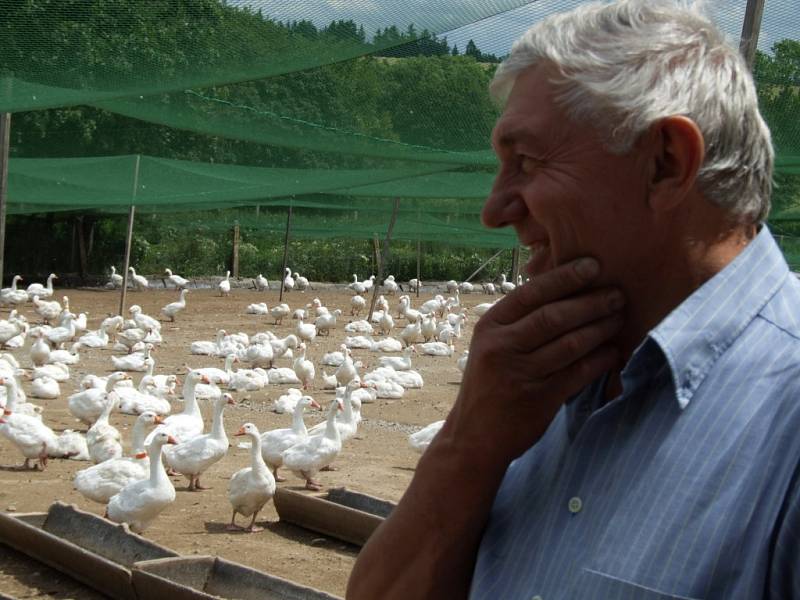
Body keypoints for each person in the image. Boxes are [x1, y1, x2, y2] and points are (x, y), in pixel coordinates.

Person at [348, 1, 800, 598]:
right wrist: (468, 443)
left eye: (528, 162)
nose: (494, 211)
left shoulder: (786, 426)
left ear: (666, 163)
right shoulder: (528, 386)